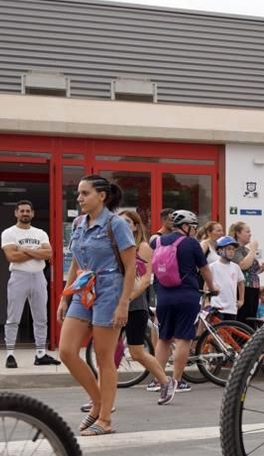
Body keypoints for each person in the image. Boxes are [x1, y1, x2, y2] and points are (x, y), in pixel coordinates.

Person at [57, 175, 136, 436]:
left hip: (110, 290)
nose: (79, 198)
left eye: (84, 193)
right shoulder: (79, 223)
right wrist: (64, 297)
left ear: (101, 196)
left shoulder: (117, 225)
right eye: (78, 194)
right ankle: (98, 401)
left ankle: (104, 420)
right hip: (83, 289)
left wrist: (123, 303)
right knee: (67, 351)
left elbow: (131, 267)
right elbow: (75, 263)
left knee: (104, 358)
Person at [154, 209, 215, 393]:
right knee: (183, 338)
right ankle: (176, 381)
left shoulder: (157, 241)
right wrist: (212, 288)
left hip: (163, 295)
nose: (195, 231)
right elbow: (204, 270)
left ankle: (159, 380)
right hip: (186, 295)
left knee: (164, 338)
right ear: (186, 226)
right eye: (194, 227)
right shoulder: (191, 244)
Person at [115, 209, 172, 404]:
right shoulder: (115, 247)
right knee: (109, 352)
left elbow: (146, 279)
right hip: (113, 304)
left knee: (136, 352)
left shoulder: (143, 247)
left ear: (136, 226)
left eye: (127, 223)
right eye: (120, 223)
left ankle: (165, 382)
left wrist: (128, 298)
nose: (123, 226)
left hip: (135, 306)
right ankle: (99, 396)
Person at [1, 198, 58, 368]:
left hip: (38, 276)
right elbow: (12, 257)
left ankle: (40, 353)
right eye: (22, 211)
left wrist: (24, 249)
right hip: (19, 276)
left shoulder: (40, 233)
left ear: (32, 213)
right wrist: (36, 252)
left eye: (28, 211)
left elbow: (49, 254)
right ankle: (10, 354)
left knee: (41, 317)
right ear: (16, 213)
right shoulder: (9, 233)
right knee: (13, 317)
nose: (25, 213)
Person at [228, 220, 264, 323]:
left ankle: (250, 338)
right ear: (238, 233)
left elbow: (252, 270)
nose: (250, 234)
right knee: (243, 319)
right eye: (247, 231)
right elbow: (242, 266)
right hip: (243, 288)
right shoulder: (235, 249)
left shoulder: (246, 250)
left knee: (251, 319)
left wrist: (262, 268)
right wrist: (253, 249)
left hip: (253, 287)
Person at [208, 234, 245, 317]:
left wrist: (241, 300)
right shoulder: (212, 266)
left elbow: (241, 283)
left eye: (233, 249)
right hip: (217, 307)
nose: (232, 251)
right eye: (228, 249)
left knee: (231, 329)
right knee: (217, 329)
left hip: (232, 308)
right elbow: (206, 284)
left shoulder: (236, 267)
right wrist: (207, 301)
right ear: (220, 250)